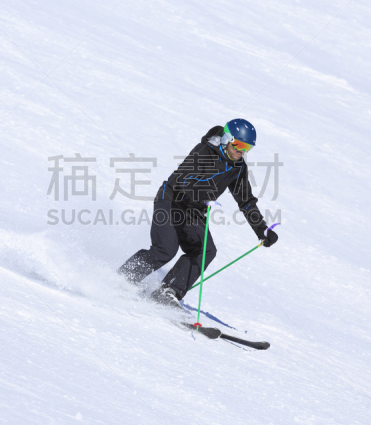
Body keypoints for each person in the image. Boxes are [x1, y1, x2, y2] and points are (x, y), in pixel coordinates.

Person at [117, 118, 279, 308]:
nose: (241, 151)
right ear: (227, 138)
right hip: (172, 200)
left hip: (196, 210)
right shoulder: (204, 151)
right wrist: (201, 196)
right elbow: (185, 180)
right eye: (239, 145)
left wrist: (262, 230)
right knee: (165, 249)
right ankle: (123, 278)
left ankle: (168, 291)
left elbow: (246, 200)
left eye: (247, 148)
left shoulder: (238, 167)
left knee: (206, 251)